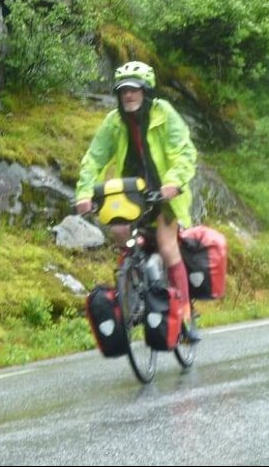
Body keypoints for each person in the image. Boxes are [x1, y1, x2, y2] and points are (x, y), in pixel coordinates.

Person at [74, 60, 200, 341]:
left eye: (134, 90)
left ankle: (185, 316)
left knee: (167, 247)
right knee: (120, 233)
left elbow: (184, 151)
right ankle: (132, 287)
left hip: (164, 195)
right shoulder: (114, 122)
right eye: (123, 91)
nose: (128, 95)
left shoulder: (163, 113)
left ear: (146, 92)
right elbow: (94, 158)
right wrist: (84, 193)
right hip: (129, 195)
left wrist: (174, 182)